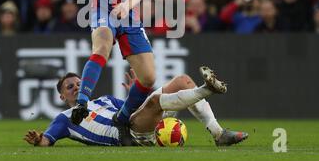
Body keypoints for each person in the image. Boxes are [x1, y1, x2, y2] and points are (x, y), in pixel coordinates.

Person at [47, 0, 155, 145]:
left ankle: (122, 119)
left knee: (148, 78)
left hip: (128, 12)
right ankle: (83, 102)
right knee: (103, 46)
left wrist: (126, 5)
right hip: (101, 9)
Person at [24, 66, 248, 147]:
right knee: (155, 102)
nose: (75, 87)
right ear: (62, 96)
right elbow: (46, 140)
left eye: (79, 84)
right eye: (69, 87)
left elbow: (137, 111)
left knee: (182, 80)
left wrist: (135, 95)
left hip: (137, 123)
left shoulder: (106, 100)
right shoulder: (64, 118)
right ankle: (208, 89)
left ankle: (218, 134)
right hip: (127, 137)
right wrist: (38, 139)